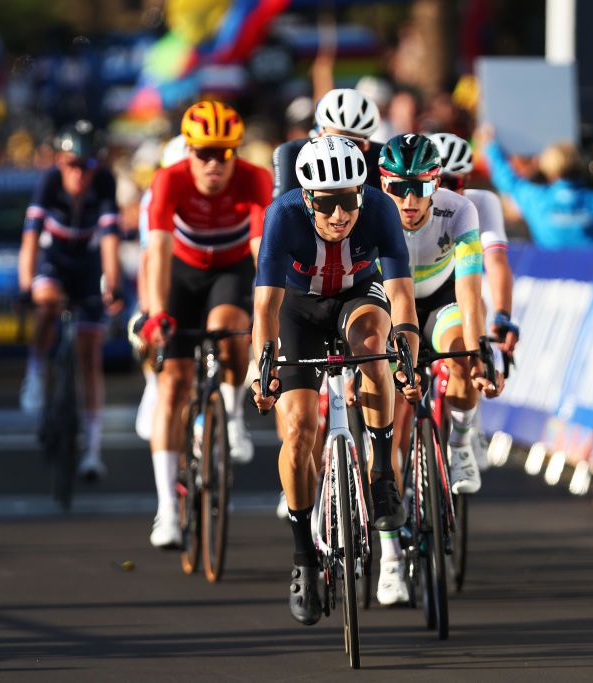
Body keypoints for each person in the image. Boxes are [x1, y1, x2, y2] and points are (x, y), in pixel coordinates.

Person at [252, 135, 422, 626]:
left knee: (374, 345)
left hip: (358, 295)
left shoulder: (380, 210)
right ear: (308, 198)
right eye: (328, 204)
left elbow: (403, 299)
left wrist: (405, 355)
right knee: (300, 429)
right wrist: (262, 366)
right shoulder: (283, 215)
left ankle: (383, 471)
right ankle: (304, 554)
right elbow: (265, 306)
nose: (340, 214)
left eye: (350, 200)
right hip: (298, 310)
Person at [140, 101, 273, 549]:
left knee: (229, 330)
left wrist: (271, 317)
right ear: (188, 152)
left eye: (224, 153)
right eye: (204, 153)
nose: (214, 163)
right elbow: (157, 252)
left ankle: (233, 418)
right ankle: (166, 512)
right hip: (182, 272)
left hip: (231, 270)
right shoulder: (168, 179)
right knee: (173, 385)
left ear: (237, 152)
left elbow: (262, 255)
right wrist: (158, 312)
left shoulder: (255, 180)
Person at [378, 133, 505, 604]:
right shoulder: (368, 212)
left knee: (462, 352)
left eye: (421, 188)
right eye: (399, 189)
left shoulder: (460, 211)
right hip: (388, 304)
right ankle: (390, 560)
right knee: (385, 430)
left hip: (442, 300)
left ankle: (459, 439)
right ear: (383, 184)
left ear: (437, 184)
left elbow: (471, 292)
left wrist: (478, 353)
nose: (410, 201)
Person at [17, 120, 123, 481]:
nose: (79, 174)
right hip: (55, 260)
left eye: (86, 166)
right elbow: (30, 240)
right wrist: (24, 285)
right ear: (60, 163)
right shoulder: (48, 182)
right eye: (71, 165)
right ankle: (35, 371)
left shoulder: (106, 184)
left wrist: (114, 286)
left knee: (90, 353)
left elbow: (110, 241)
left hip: (88, 264)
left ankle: (92, 451)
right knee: (46, 302)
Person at [429, 132, 519, 470]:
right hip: (419, 290)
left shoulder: (478, 204)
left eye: (454, 182)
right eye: (438, 181)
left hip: (460, 288)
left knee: (474, 318)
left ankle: (468, 426)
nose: (446, 190)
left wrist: (503, 315)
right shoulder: (410, 204)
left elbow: (495, 263)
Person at [479, 126, 593, 248]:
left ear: (548, 169)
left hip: (553, 280)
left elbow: (507, 181)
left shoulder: (535, 199)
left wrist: (490, 146)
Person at [129, 135, 187, 442]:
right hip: (165, 277)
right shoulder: (153, 198)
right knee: (143, 327)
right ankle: (153, 382)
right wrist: (147, 308)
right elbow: (147, 257)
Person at [271, 87, 385, 198]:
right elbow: (283, 210)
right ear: (319, 133)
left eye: (354, 143)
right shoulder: (291, 153)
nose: (343, 149)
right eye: (334, 139)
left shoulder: (381, 156)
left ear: (366, 145)